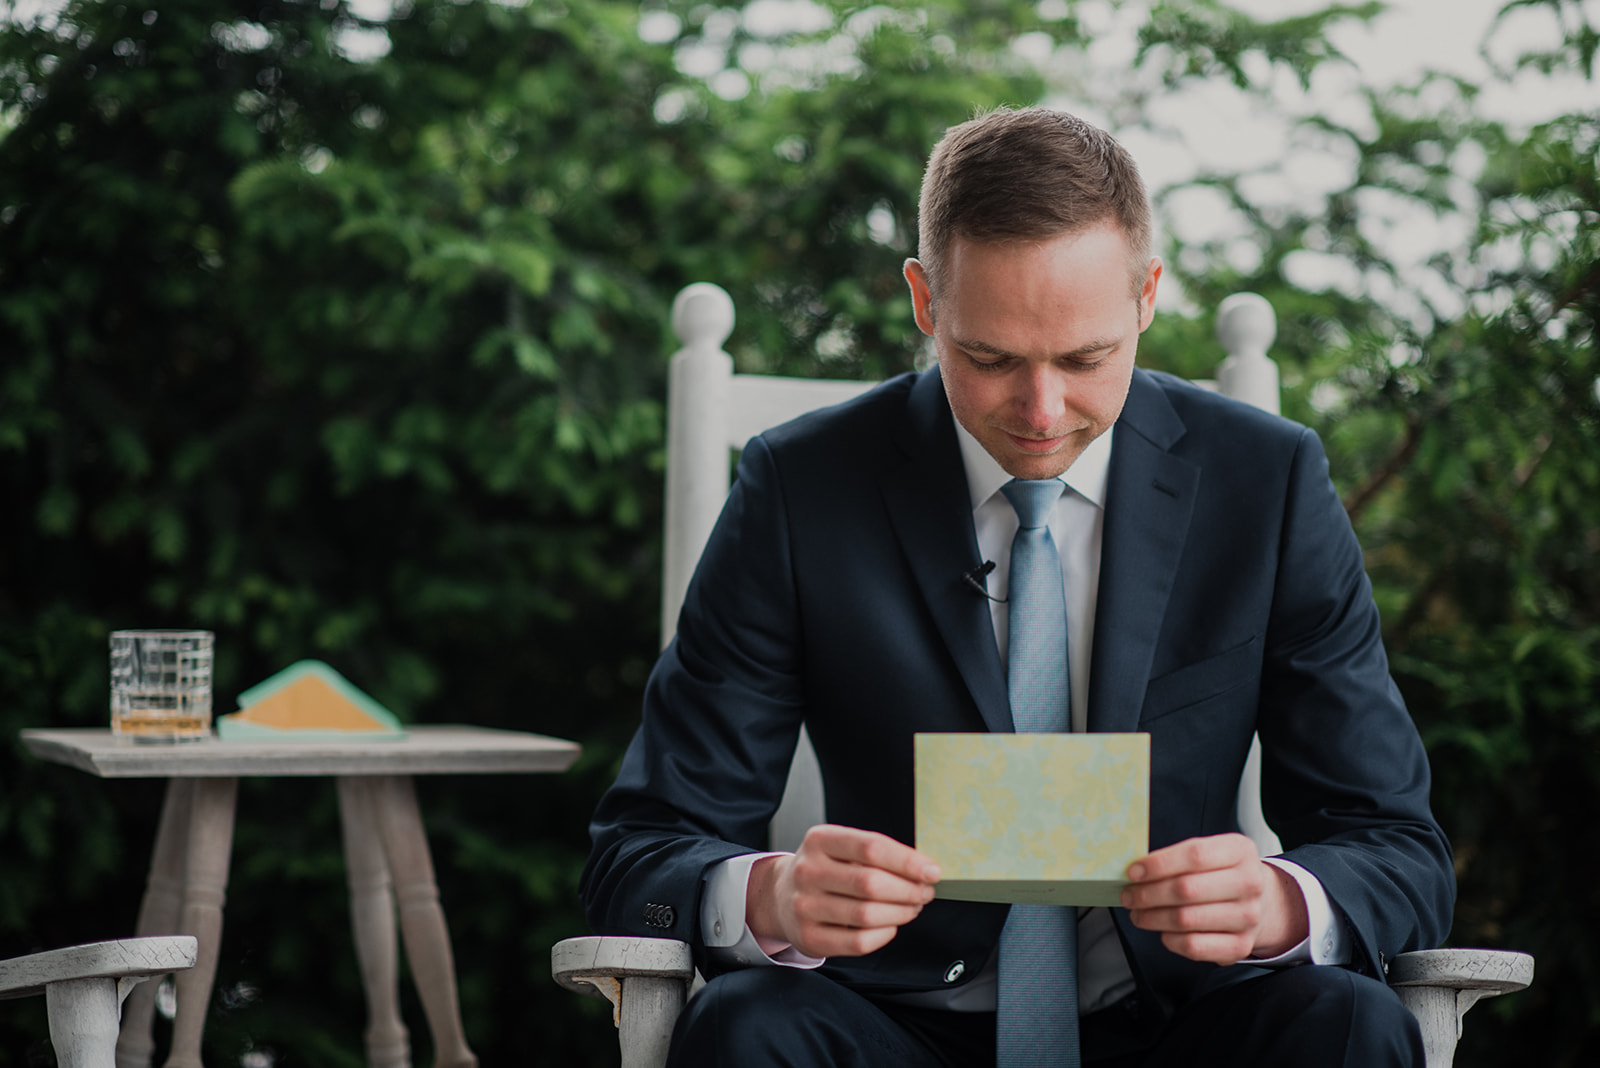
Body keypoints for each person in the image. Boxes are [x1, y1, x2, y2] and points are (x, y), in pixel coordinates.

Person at [580, 106, 1455, 1067]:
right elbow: (644, 849)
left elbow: (1394, 846)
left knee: (1352, 1027)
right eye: (988, 358)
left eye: (1085, 360)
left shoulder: (1268, 482)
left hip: (1184, 1025)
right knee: (744, 1029)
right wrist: (765, 897)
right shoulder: (800, 487)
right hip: (893, 1025)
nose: (1041, 413)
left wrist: (1283, 901)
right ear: (924, 301)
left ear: (1147, 297)